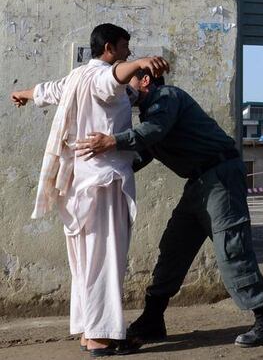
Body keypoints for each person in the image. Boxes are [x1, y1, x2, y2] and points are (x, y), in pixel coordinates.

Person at [73, 70, 263, 348]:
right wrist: (96, 174)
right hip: (198, 182)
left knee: (232, 248)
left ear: (146, 81)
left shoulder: (166, 97)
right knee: (173, 247)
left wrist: (111, 141)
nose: (124, 86)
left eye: (130, 81)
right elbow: (140, 155)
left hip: (220, 176)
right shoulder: (150, 116)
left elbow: (153, 133)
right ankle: (152, 319)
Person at [10, 23, 168, 356]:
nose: (128, 50)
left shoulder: (75, 79)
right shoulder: (100, 78)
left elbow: (44, 91)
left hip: (77, 185)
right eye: (125, 46)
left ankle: (87, 331)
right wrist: (139, 64)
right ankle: (101, 337)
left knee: (84, 263)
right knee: (104, 261)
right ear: (109, 48)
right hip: (101, 184)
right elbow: (113, 78)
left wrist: (21, 94)